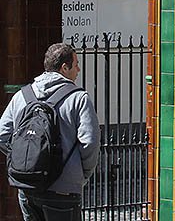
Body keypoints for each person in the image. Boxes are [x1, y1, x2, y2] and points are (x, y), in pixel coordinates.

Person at [0, 43, 100, 221]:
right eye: (76, 64)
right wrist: (81, 174)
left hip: (27, 186)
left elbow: (2, 135)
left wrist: (26, 160)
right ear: (64, 67)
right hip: (64, 190)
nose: (78, 69)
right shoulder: (79, 98)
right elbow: (90, 143)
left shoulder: (22, 96)